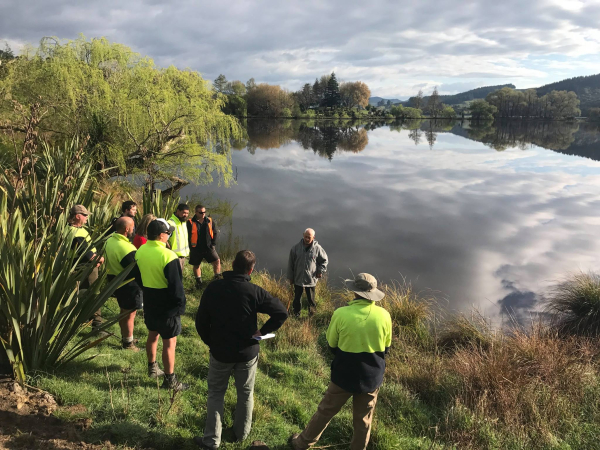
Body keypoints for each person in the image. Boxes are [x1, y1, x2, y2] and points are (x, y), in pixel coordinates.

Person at [195, 250, 288, 449]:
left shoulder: (214, 288)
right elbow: (281, 312)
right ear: (251, 269)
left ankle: (211, 440)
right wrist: (262, 331)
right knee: (245, 393)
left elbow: (200, 321)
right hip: (247, 352)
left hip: (220, 352)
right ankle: (241, 434)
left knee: (216, 394)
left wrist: (210, 342)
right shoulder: (254, 291)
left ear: (232, 264)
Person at [290, 273, 392, 450]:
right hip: (371, 378)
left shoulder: (341, 313)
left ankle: (301, 443)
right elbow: (386, 349)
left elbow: (332, 344)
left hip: (344, 374)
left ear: (354, 292)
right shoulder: (384, 315)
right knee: (363, 420)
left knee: (325, 411)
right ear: (372, 293)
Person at [135, 219, 188, 390]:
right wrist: (180, 307)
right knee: (169, 341)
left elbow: (137, 275)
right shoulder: (168, 255)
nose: (169, 235)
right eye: (168, 233)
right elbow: (176, 286)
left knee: (153, 334)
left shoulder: (141, 250)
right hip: (167, 304)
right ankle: (170, 380)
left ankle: (152, 368)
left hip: (149, 299)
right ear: (161, 235)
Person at [104, 217, 143, 351]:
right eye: (133, 226)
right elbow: (135, 270)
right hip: (128, 284)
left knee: (123, 312)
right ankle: (128, 344)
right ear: (127, 229)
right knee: (129, 314)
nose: (134, 229)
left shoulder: (110, 240)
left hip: (115, 281)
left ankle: (127, 337)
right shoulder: (125, 248)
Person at [68, 204, 104, 328]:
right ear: (77, 216)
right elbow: (87, 253)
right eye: (85, 215)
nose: (87, 217)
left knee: (80, 294)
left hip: (80, 266)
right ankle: (97, 323)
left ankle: (79, 320)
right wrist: (100, 259)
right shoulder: (76, 232)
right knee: (93, 293)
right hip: (86, 267)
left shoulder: (73, 229)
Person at [287, 228, 328, 317]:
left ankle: (312, 315)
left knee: (311, 299)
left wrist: (320, 271)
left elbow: (324, 261)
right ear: (303, 235)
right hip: (298, 279)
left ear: (313, 237)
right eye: (305, 237)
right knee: (297, 298)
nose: (306, 239)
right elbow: (290, 264)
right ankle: (296, 314)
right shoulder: (295, 248)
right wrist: (290, 277)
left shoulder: (317, 249)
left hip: (311, 280)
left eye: (309, 237)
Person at [187, 204, 221, 289]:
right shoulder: (190, 222)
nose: (203, 214)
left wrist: (213, 244)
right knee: (196, 265)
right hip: (196, 248)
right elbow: (187, 235)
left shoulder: (209, 220)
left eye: (204, 212)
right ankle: (199, 282)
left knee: (217, 260)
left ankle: (217, 278)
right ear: (196, 212)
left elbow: (215, 232)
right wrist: (190, 247)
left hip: (208, 247)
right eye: (201, 212)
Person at [168, 203, 190, 271]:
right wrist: (169, 249)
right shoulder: (170, 223)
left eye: (187, 213)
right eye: (184, 213)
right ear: (178, 211)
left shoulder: (183, 223)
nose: (185, 215)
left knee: (179, 277)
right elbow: (163, 238)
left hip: (183, 256)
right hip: (174, 257)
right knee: (175, 278)